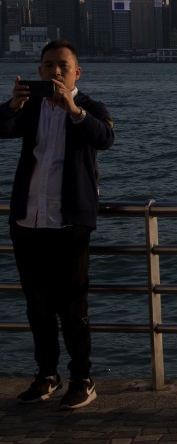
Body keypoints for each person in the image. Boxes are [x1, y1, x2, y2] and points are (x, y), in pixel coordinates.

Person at [0, 40, 115, 410]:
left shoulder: (90, 107)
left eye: (63, 65)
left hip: (69, 223)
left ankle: (83, 378)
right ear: (39, 72)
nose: (55, 72)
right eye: (48, 65)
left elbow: (105, 137)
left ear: (77, 72)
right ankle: (46, 374)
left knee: (73, 307)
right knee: (37, 306)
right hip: (28, 219)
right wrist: (12, 105)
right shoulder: (29, 108)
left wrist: (73, 108)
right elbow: (3, 128)